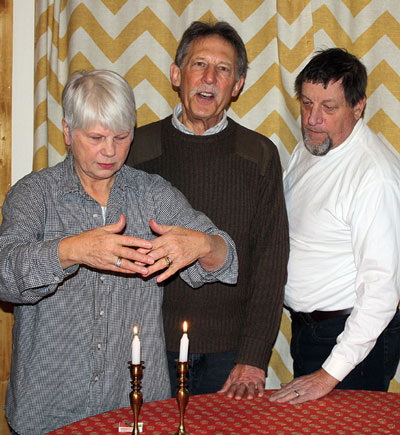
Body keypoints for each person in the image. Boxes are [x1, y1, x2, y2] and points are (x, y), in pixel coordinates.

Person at [0, 70, 238, 435]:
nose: (110, 151)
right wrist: (72, 250)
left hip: (134, 409)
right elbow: (4, 274)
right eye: (95, 137)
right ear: (67, 131)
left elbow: (227, 257)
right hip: (47, 410)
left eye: (121, 137)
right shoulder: (35, 195)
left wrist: (204, 245)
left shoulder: (152, 195)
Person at [126, 21, 289, 400]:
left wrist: (253, 357)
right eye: (199, 64)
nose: (210, 78)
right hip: (147, 345)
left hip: (230, 354)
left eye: (224, 69)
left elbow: (271, 264)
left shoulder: (260, 155)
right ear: (176, 74)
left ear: (238, 85)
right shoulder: (133, 149)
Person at [270, 48, 400, 405]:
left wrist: (330, 373)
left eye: (329, 108)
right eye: (307, 103)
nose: (313, 119)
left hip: (352, 341)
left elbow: (381, 290)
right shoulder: (310, 148)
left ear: (358, 107)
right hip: (309, 332)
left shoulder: (374, 176)